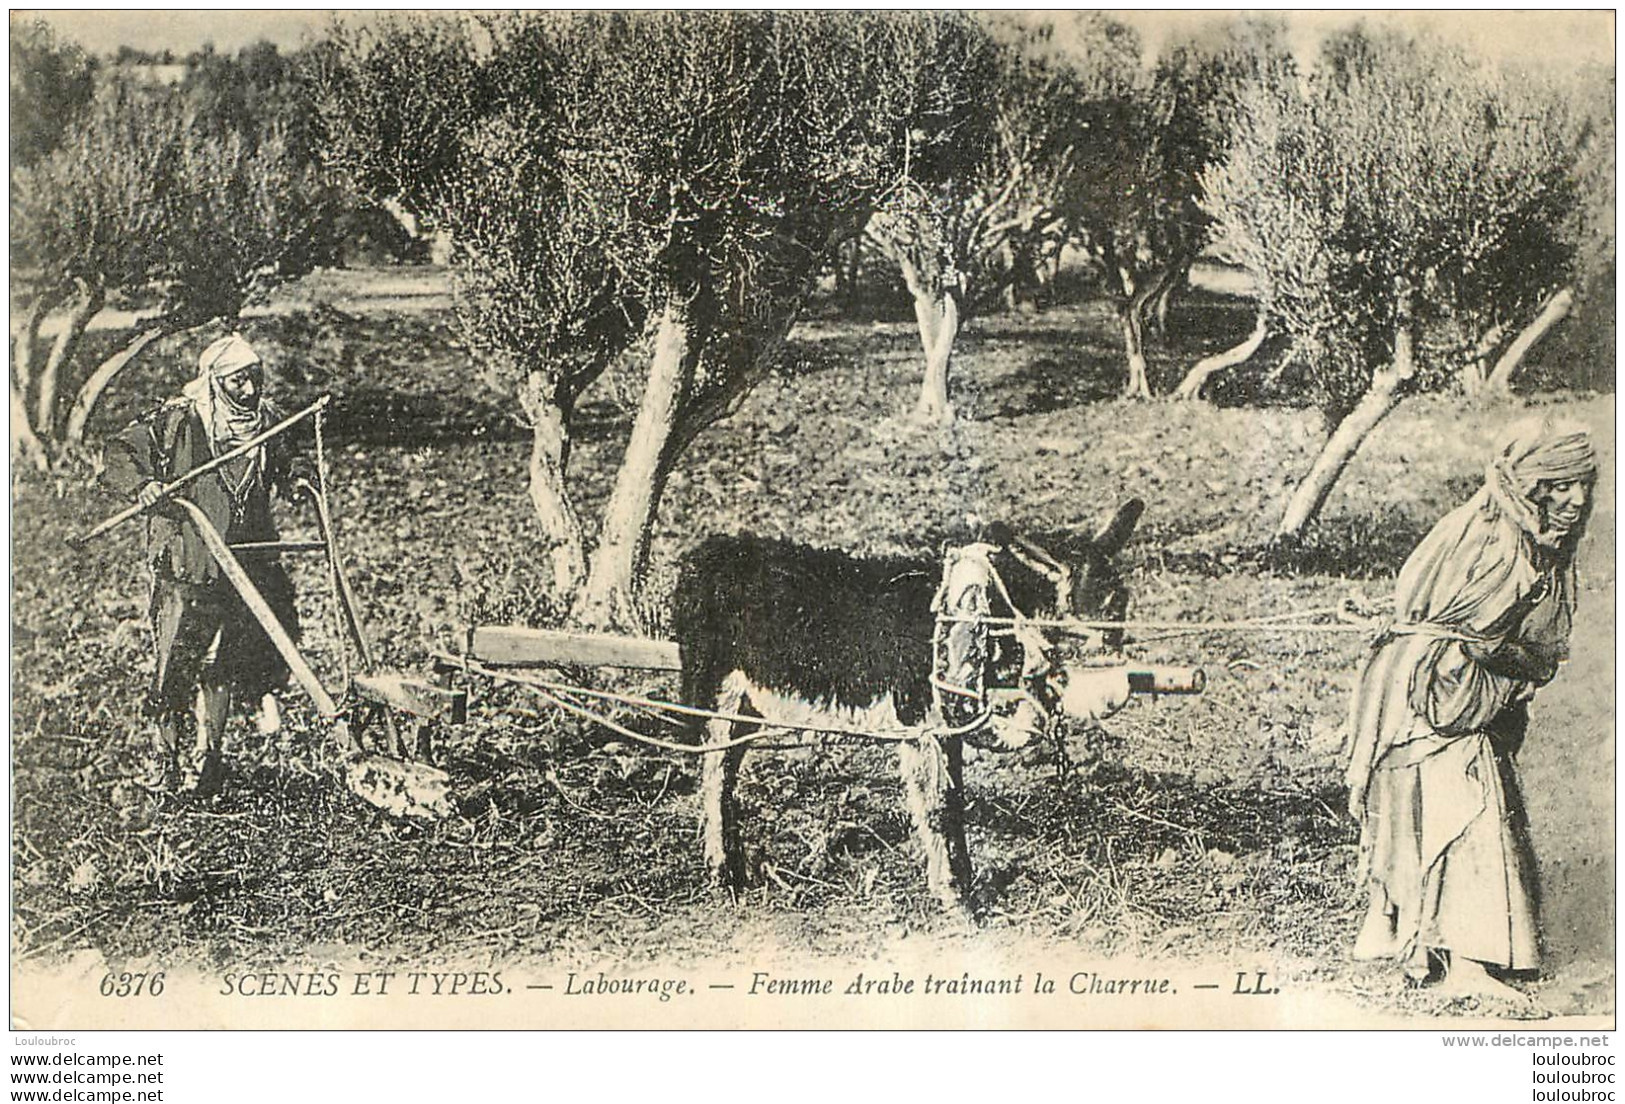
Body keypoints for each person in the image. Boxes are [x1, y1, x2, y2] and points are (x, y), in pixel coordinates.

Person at [1344, 413, 1596, 997]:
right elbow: (1471, 639)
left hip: (1451, 690)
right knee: (1469, 807)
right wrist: (1527, 665)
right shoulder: (1491, 540)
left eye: (1582, 485)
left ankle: (1415, 938)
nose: (1576, 499)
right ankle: (1467, 962)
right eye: (1559, 486)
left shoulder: (1532, 546)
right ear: (1528, 485)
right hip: (1432, 692)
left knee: (1449, 802)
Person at [103, 334, 313, 798]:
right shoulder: (178, 420)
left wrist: (297, 480)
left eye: (254, 379)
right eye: (238, 381)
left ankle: (209, 758)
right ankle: (167, 761)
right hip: (189, 561)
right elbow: (119, 452)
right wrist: (144, 486)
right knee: (177, 662)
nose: (249, 391)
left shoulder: (268, 421)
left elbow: (289, 458)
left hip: (246, 558)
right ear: (215, 381)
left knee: (223, 664)